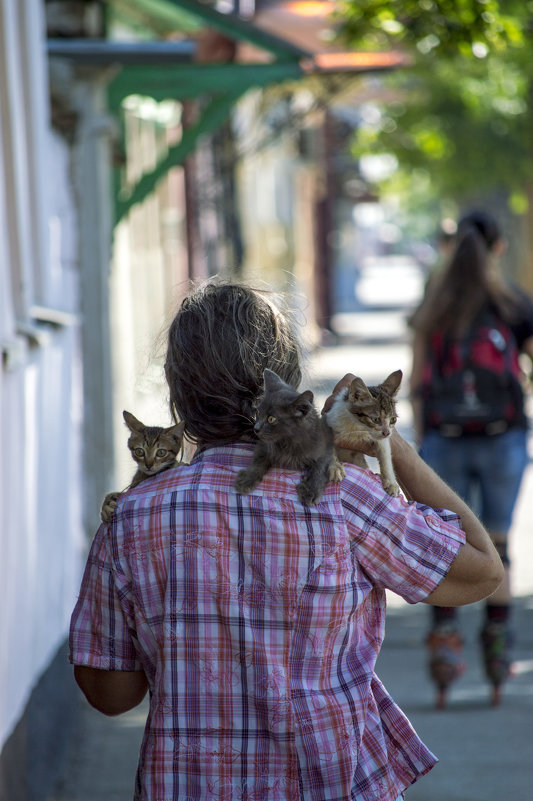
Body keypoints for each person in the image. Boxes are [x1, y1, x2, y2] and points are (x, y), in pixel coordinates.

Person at [70, 280, 503, 801]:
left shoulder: (133, 516)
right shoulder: (345, 499)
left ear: (178, 392)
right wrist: (396, 451)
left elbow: (111, 695)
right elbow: (482, 571)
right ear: (288, 382)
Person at [409, 209, 533, 706]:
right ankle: (498, 651)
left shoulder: (433, 305)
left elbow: (418, 380)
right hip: (503, 438)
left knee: (445, 545)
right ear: (498, 248)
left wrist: (423, 443)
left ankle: (444, 649)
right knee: (497, 545)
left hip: (445, 438)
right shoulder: (513, 303)